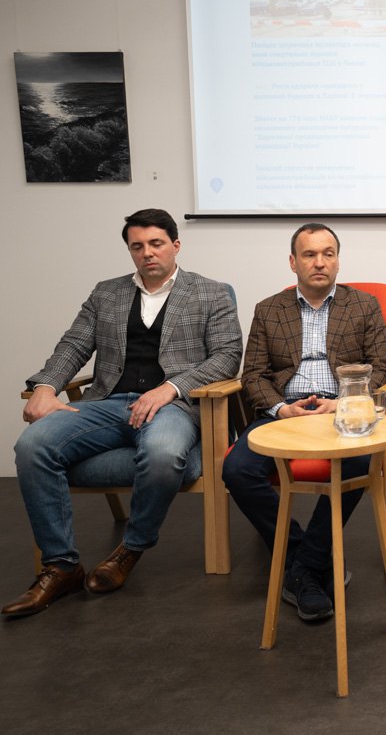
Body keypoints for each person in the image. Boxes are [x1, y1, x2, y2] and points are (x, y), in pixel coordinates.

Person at [4, 209, 243, 618]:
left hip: (173, 406)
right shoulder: (106, 293)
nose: (147, 253)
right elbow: (73, 345)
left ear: (175, 245)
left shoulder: (209, 293)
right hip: (108, 403)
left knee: (165, 453)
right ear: (130, 250)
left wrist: (169, 389)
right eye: (138, 246)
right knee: (32, 445)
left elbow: (227, 356)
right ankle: (61, 566)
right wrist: (46, 387)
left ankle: (130, 549)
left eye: (156, 244)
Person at [222, 223, 386, 622]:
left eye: (328, 253)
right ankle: (308, 559)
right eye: (310, 254)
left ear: (337, 259)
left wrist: (341, 402)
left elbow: (383, 367)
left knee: (357, 461)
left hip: (341, 409)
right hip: (285, 410)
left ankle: (301, 567)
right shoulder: (269, 309)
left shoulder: (364, 305)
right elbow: (254, 375)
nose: (320, 262)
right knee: (238, 470)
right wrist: (282, 409)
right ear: (293, 262)